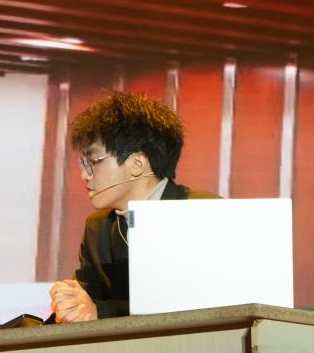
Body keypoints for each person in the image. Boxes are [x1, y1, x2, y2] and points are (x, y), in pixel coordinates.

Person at [50, 91, 220, 322]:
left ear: (137, 164)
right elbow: (87, 302)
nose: (84, 174)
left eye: (93, 162)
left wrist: (101, 312)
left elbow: (209, 307)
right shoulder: (97, 227)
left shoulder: (206, 213)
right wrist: (71, 302)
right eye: (84, 163)